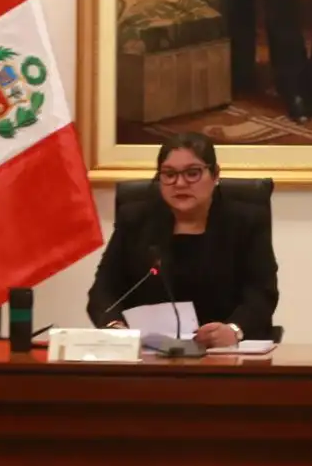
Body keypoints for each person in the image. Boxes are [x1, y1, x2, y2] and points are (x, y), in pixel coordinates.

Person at [89, 133, 279, 348]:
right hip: (150, 354)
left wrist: (234, 330)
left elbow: (262, 293)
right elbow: (103, 290)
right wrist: (115, 328)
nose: (180, 183)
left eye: (192, 173)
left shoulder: (245, 221)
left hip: (224, 351)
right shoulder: (135, 220)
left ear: (215, 174)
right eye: (169, 174)